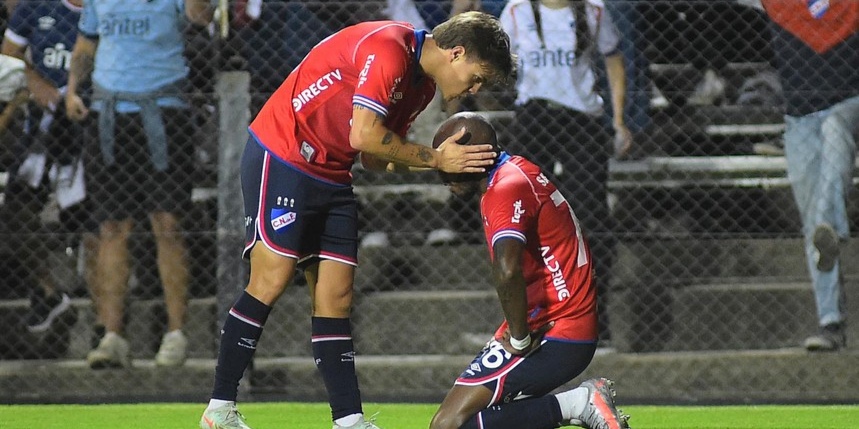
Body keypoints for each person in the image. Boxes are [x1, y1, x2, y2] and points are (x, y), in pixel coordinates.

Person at [199, 11, 515, 429]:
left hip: (332, 171)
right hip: (284, 154)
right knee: (270, 281)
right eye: (477, 76)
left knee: (337, 298)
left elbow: (371, 156)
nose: (474, 89)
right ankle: (219, 409)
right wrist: (437, 158)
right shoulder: (390, 50)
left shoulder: (420, 86)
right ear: (456, 53)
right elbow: (364, 136)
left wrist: (438, 169)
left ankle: (348, 420)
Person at [429, 112, 630, 429]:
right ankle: (575, 404)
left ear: (475, 157)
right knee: (465, 422)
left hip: (557, 330)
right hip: (556, 320)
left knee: (449, 426)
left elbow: (507, 271)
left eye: (449, 162)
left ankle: (578, 403)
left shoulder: (505, 189)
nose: (442, 173)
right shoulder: (515, 170)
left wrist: (520, 338)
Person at [64, 0, 213, 368]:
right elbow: (86, 45)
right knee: (112, 227)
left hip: (164, 110)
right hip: (109, 112)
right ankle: (113, 336)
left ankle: (176, 333)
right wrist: (71, 90)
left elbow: (202, 16)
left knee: (168, 224)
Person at [499, 0, 633, 346]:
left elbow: (614, 58)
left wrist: (618, 120)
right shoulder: (517, 10)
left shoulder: (594, 10)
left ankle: (591, 318)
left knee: (589, 216)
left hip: (581, 119)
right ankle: (526, 319)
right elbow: (498, 60)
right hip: (534, 118)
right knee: (522, 218)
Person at [759, 0, 859, 352]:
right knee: (812, 223)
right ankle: (830, 323)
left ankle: (830, 223)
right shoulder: (779, 3)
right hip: (799, 120)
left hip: (848, 105)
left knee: (834, 130)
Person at [1, 0, 98, 335]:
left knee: (96, 222)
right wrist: (33, 81)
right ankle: (48, 292)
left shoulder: (108, 8)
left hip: (93, 127)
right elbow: (7, 59)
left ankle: (105, 319)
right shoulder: (34, 7)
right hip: (40, 132)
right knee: (15, 213)